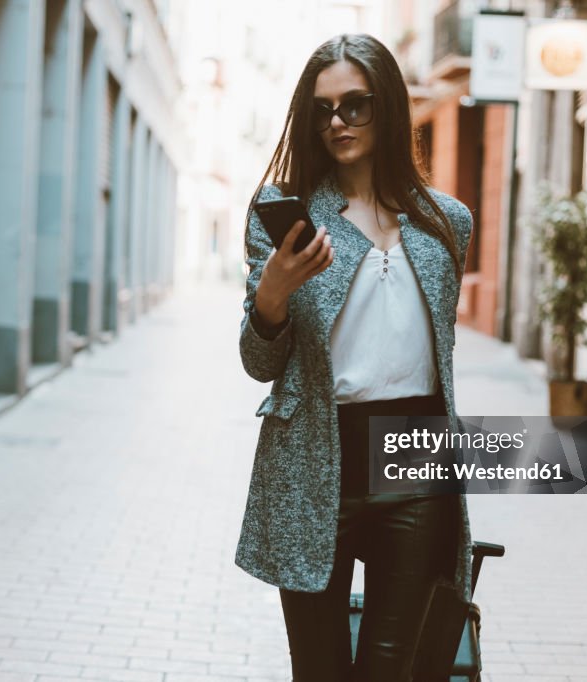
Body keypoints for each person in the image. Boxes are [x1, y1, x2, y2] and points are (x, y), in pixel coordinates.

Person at [234, 33, 476, 681]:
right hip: (316, 458)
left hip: (414, 461)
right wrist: (272, 297)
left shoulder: (446, 223)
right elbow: (259, 361)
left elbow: (440, 359)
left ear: (389, 106)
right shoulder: (285, 219)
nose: (337, 121)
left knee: (390, 672)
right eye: (323, 110)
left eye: (355, 105)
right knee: (320, 671)